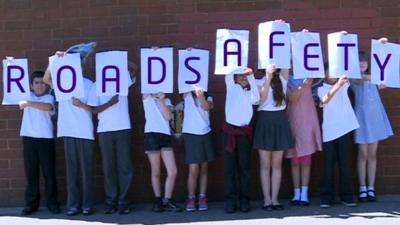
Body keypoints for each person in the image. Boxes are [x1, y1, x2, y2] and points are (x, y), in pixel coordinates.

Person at [43, 42, 97, 216]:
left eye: (78, 63)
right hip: (67, 129)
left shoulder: (89, 84)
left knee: (87, 170)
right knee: (72, 170)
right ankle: (73, 205)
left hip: (84, 131)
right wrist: (53, 62)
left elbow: (93, 108)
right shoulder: (62, 81)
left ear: (81, 65)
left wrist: (81, 104)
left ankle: (88, 205)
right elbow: (46, 80)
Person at [87, 62, 138, 214]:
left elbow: (135, 69)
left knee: (125, 166)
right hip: (105, 130)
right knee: (108, 167)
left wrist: (121, 59)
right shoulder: (96, 85)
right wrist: (110, 103)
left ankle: (123, 201)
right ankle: (111, 202)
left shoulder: (121, 79)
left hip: (123, 128)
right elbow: (93, 109)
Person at [351, 43, 393, 202]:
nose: (362, 63)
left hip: (375, 118)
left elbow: (386, 80)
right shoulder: (356, 78)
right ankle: (362, 187)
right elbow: (360, 80)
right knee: (362, 154)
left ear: (369, 63)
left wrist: (383, 45)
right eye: (359, 61)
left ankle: (371, 187)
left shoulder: (375, 78)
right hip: (362, 119)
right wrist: (375, 77)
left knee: (372, 154)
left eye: (365, 61)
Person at [18, 69, 60, 215]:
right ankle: (31, 204)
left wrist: (28, 103)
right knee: (31, 173)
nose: (40, 85)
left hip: (45, 139)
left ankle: (53, 203)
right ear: (31, 86)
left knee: (49, 173)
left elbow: (47, 108)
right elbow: (11, 83)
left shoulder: (49, 98)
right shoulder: (25, 95)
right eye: (37, 83)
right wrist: (9, 65)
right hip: (29, 139)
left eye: (42, 83)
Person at [318, 64, 359, 208]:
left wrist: (341, 82)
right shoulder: (320, 87)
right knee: (328, 166)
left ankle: (347, 196)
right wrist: (338, 85)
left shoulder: (345, 83)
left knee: (345, 165)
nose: (332, 75)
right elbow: (325, 100)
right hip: (329, 132)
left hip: (345, 129)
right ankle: (327, 197)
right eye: (329, 72)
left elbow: (347, 65)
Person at [254, 64, 293, 211]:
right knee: (265, 164)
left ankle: (275, 199)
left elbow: (285, 64)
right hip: (264, 121)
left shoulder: (283, 79)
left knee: (277, 164)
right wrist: (268, 77)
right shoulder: (259, 82)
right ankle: (267, 199)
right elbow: (261, 101)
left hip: (280, 121)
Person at [222, 67, 260, 213]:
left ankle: (245, 200)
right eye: (241, 76)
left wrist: (250, 76)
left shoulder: (250, 93)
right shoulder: (231, 88)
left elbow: (257, 98)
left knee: (244, 169)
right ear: (236, 78)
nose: (244, 78)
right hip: (229, 133)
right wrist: (237, 65)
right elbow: (228, 74)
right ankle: (231, 201)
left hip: (244, 134)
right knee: (229, 169)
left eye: (245, 77)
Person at [142, 92, 182, 212]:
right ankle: (158, 200)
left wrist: (162, 100)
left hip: (165, 135)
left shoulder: (167, 100)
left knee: (172, 171)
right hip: (151, 135)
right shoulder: (146, 96)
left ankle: (167, 200)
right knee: (156, 171)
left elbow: (169, 117)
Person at [286, 75, 322, 206]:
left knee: (306, 160)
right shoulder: (287, 80)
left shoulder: (309, 76)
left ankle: (305, 192)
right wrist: (303, 85)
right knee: (295, 161)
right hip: (293, 121)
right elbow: (292, 98)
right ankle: (297, 192)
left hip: (307, 121)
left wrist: (309, 79)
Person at [182, 89, 216, 211]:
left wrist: (200, 95)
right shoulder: (186, 94)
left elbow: (207, 107)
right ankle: (191, 197)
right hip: (191, 134)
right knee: (193, 169)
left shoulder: (208, 96)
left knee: (204, 168)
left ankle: (202, 197)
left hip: (205, 132)